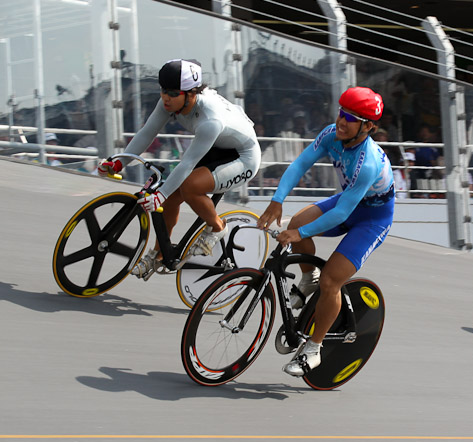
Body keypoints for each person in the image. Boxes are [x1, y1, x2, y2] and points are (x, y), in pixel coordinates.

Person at [256, 86, 394, 377]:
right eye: (341, 112)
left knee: (331, 280)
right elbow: (299, 164)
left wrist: (300, 233)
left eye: (351, 118)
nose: (342, 121)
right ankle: (308, 278)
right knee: (294, 224)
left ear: (368, 127)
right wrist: (277, 200)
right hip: (348, 202)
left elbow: (342, 214)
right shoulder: (331, 133)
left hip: (372, 219)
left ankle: (314, 348)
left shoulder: (367, 162)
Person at [97, 59, 261, 278]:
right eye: (164, 91)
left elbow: (187, 163)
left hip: (244, 157)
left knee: (189, 187)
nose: (166, 97)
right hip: (218, 147)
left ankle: (218, 227)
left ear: (191, 93)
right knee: (171, 198)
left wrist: (159, 196)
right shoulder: (169, 103)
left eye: (173, 93)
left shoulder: (209, 119)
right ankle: (158, 254)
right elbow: (147, 132)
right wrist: (119, 162)